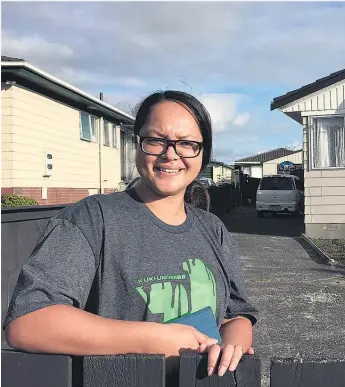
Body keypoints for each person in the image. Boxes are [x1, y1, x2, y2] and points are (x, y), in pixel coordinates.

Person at [3, 90, 258, 377]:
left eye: (186, 143)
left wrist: (233, 347)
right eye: (156, 140)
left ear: (203, 153)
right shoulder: (92, 219)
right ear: (137, 145)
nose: (170, 154)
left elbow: (237, 314)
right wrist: (152, 340)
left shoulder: (212, 229)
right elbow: (29, 322)